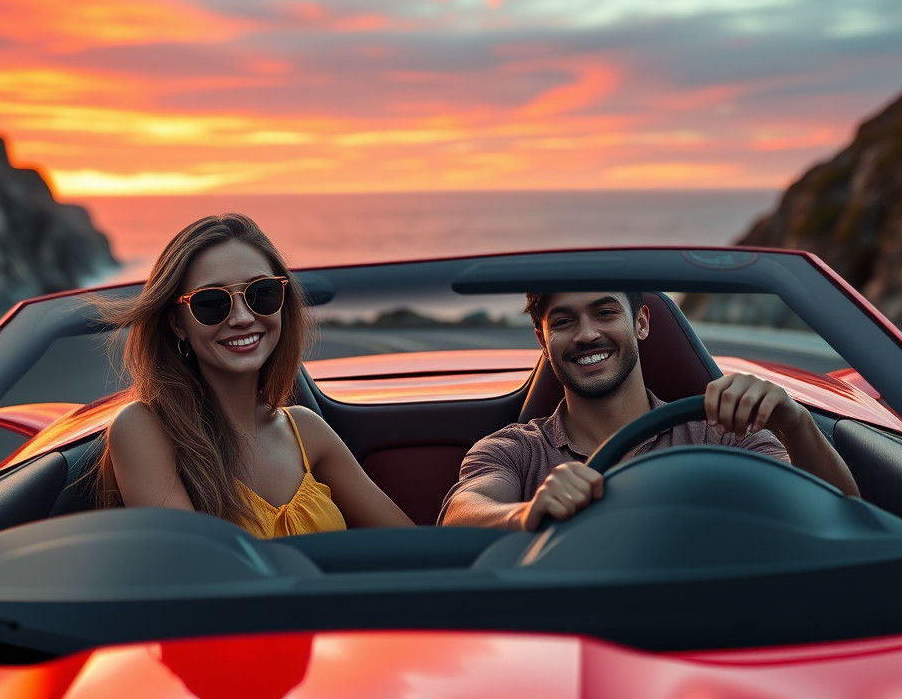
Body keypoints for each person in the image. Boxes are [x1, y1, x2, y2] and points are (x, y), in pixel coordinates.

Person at [95, 213, 411, 537]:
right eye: (212, 303)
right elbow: (193, 570)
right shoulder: (143, 428)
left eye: (262, 294)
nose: (243, 317)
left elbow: (412, 546)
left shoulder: (306, 429)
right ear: (177, 323)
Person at [439, 289, 859, 531]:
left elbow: (841, 515)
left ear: (641, 322)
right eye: (563, 322)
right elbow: (462, 512)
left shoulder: (724, 432)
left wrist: (796, 422)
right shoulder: (516, 448)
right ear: (542, 339)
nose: (587, 335)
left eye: (605, 313)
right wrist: (527, 512)